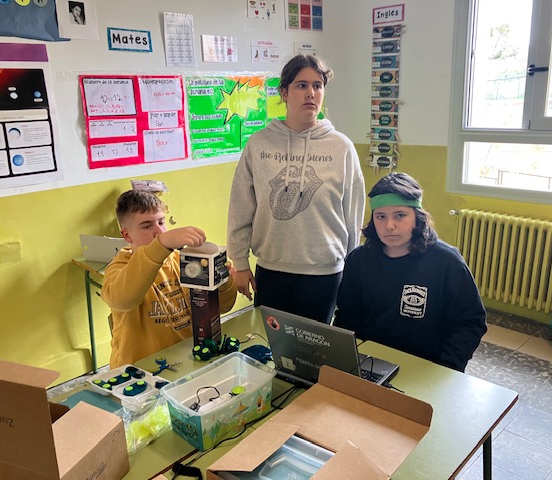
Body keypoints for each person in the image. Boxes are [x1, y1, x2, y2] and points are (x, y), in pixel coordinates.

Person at [227, 54, 366, 323]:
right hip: (272, 270)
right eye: (301, 85)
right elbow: (240, 207)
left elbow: (354, 213)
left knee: (315, 344)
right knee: (271, 342)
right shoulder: (259, 144)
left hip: (325, 273)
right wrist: (240, 264)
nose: (311, 93)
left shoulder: (342, 147)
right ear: (284, 92)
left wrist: (352, 268)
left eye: (318, 85)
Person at [334, 173, 487, 371]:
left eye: (400, 215)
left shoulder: (447, 262)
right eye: (381, 216)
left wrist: (447, 367)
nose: (389, 226)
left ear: (417, 217)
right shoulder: (358, 260)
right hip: (370, 362)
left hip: (428, 367)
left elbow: (470, 322)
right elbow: (347, 316)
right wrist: (345, 359)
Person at [101, 190, 238, 368]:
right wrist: (161, 244)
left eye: (161, 222)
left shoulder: (182, 261)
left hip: (187, 361)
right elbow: (122, 299)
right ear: (127, 235)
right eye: (147, 226)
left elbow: (223, 307)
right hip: (141, 370)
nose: (159, 232)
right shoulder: (120, 267)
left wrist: (223, 282)